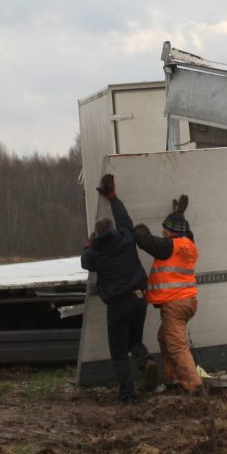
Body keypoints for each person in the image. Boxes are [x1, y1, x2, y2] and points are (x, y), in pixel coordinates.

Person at [81, 174, 149, 405]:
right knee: (134, 341)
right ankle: (144, 358)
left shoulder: (95, 254)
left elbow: (84, 262)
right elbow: (124, 219)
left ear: (98, 237)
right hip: (139, 299)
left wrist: (89, 244)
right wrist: (113, 197)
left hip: (118, 305)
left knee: (119, 353)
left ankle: (128, 395)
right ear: (113, 231)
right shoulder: (127, 239)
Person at [133, 193, 204, 394]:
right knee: (164, 337)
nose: (162, 231)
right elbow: (186, 232)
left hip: (175, 304)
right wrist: (179, 213)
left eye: (165, 228)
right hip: (187, 302)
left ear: (171, 232)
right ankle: (172, 377)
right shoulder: (188, 244)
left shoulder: (169, 246)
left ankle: (193, 385)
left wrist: (135, 227)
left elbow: (145, 240)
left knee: (176, 345)